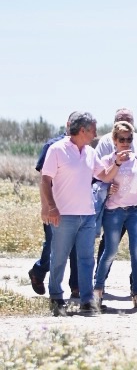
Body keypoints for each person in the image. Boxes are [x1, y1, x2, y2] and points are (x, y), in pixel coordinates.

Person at [40, 111, 123, 316]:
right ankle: (56, 297)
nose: (96, 134)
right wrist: (50, 207)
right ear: (83, 130)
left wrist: (117, 164)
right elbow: (45, 180)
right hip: (63, 215)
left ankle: (87, 300)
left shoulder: (90, 152)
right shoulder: (56, 149)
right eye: (93, 130)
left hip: (87, 215)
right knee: (59, 258)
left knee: (87, 259)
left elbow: (104, 175)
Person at [94, 108, 137, 296]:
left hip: (136, 209)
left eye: (129, 139)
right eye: (122, 139)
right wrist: (108, 185)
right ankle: (98, 285)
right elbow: (99, 176)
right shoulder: (105, 147)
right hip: (114, 209)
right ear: (114, 138)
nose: (126, 142)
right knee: (109, 249)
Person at [28, 115, 79, 298]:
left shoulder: (83, 147)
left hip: (76, 207)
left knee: (76, 246)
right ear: (68, 124)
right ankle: (39, 271)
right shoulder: (52, 145)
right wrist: (46, 206)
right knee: (53, 245)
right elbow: (44, 179)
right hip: (55, 206)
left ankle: (76, 286)